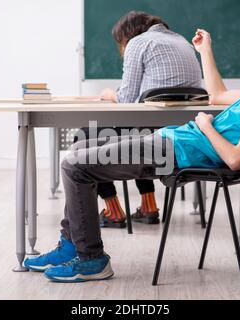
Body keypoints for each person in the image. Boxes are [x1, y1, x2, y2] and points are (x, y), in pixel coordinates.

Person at [24, 25, 240, 282]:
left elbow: (235, 159)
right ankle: (71, 244)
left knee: (74, 165)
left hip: (174, 152)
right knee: (79, 150)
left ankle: (91, 259)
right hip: (170, 142)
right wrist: (205, 50)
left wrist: (206, 126)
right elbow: (218, 95)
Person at [83, 11, 202, 228]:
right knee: (140, 128)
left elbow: (126, 99)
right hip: (185, 137)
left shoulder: (137, 43)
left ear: (126, 36)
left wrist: (110, 93)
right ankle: (148, 206)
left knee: (86, 137)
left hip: (152, 139)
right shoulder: (183, 41)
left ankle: (113, 210)